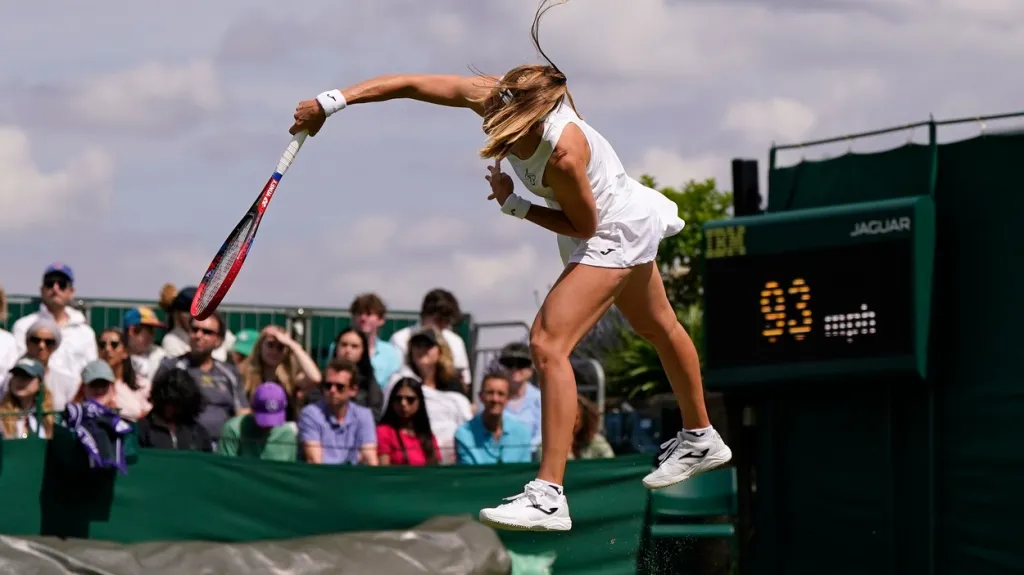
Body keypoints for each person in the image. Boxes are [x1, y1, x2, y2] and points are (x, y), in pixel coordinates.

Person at [288, 0, 731, 532]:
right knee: (657, 326)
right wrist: (330, 102)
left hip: (612, 227)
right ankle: (702, 436)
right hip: (613, 222)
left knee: (548, 344)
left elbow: (585, 227)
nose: (494, 122)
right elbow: (407, 83)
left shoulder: (564, 154)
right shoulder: (495, 97)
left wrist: (516, 203)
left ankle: (548, 494)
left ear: (536, 116)